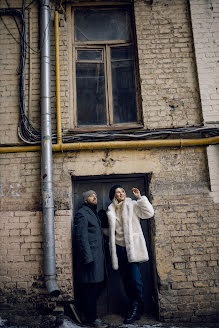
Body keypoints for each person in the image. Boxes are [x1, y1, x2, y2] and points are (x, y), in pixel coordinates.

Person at [106, 185, 154, 324]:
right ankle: (133, 306)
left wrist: (140, 198)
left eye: (122, 191)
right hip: (118, 248)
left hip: (131, 247)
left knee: (135, 279)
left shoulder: (132, 204)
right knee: (126, 280)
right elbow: (111, 230)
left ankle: (138, 307)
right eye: (117, 192)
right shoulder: (111, 209)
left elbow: (149, 213)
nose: (121, 193)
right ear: (113, 195)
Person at [73, 190, 107, 328]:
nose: (95, 197)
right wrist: (87, 257)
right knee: (90, 288)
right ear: (85, 200)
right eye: (91, 196)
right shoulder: (82, 213)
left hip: (99, 258)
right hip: (90, 258)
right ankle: (91, 318)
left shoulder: (93, 213)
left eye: (96, 195)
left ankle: (86, 314)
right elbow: (81, 237)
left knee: (98, 285)